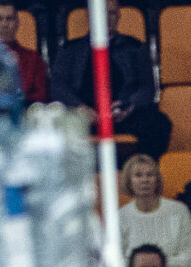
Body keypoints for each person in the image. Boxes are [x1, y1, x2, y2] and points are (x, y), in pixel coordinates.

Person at [52, 0, 168, 157]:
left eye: (112, 13)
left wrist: (129, 105)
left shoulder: (135, 48)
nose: (106, 18)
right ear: (89, 15)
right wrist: (80, 108)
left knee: (159, 124)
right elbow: (58, 87)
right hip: (82, 118)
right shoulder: (70, 50)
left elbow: (148, 89)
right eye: (101, 12)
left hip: (124, 117)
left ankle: (139, 168)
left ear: (119, 16)